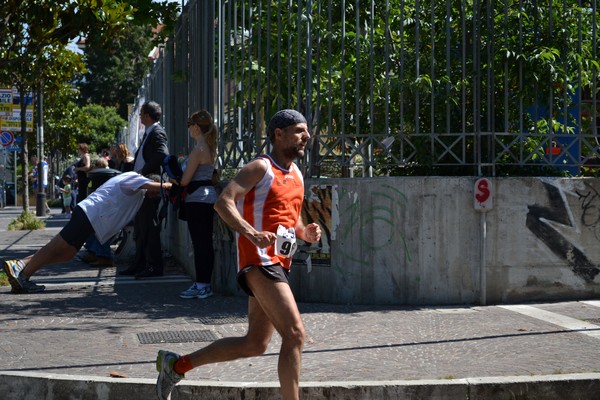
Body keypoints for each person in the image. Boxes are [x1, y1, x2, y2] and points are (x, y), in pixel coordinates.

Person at [154, 109, 322, 400]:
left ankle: (176, 365)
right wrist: (251, 233)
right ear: (278, 134)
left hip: (280, 263)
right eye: (299, 131)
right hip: (259, 261)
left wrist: (305, 232)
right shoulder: (259, 167)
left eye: (306, 131)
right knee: (295, 334)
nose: (306, 136)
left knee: (254, 343)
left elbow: (288, 220)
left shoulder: (296, 173)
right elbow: (224, 203)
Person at [2, 172, 173, 294]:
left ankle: (22, 267)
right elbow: (148, 186)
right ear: (150, 184)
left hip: (91, 219)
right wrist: (168, 185)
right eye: (155, 192)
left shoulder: (139, 196)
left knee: (66, 253)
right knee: (56, 246)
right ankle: (22, 272)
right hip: (89, 215)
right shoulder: (135, 179)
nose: (154, 195)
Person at [120, 101, 169, 278]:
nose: (139, 117)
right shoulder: (149, 132)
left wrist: (143, 170)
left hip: (150, 184)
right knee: (141, 227)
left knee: (149, 226)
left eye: (141, 114)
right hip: (142, 183)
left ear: (147, 116)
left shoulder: (157, 132)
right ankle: (140, 263)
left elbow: (162, 154)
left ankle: (154, 266)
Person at [174, 110, 219, 300]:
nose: (188, 130)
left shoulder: (199, 149)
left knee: (200, 244)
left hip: (197, 199)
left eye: (189, 126)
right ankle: (203, 283)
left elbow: (184, 180)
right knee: (205, 243)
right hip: (208, 198)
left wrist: (172, 175)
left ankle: (202, 284)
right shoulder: (209, 147)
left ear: (195, 127)